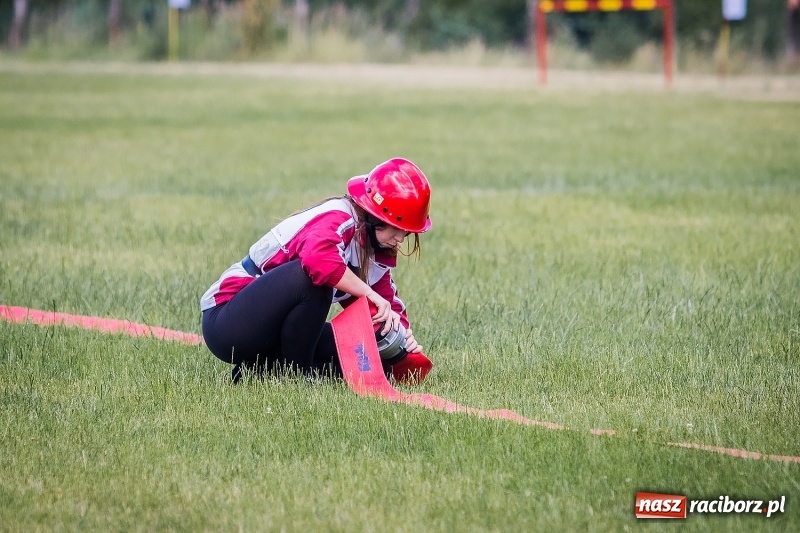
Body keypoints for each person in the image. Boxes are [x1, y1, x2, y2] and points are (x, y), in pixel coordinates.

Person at [200, 157, 434, 384]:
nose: (400, 238)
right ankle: (297, 378)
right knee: (316, 282)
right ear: (374, 216)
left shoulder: (377, 250)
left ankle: (256, 373)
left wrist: (404, 342)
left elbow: (388, 305)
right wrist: (369, 294)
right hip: (227, 321)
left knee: (368, 360)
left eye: (407, 231)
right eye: (396, 228)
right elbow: (318, 262)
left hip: (270, 331)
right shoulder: (339, 216)